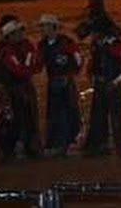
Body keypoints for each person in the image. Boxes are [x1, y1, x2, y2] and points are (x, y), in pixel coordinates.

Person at [83, 13, 121, 159]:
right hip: (103, 83)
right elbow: (93, 62)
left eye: (94, 32)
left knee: (116, 117)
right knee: (99, 116)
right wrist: (91, 75)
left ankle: (119, 147)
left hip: (111, 84)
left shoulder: (113, 45)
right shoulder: (99, 44)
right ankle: (103, 145)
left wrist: (116, 80)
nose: (92, 34)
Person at [0, 15, 41, 160]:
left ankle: (20, 147)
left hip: (15, 87)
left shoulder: (10, 47)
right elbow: (24, 69)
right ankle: (15, 147)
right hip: (13, 88)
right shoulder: (7, 50)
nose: (21, 34)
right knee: (15, 118)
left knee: (23, 117)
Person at [33, 14, 83, 157]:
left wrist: (70, 74)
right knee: (55, 113)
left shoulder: (66, 42)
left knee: (69, 112)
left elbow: (78, 59)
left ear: (53, 27)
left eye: (45, 26)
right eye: (42, 27)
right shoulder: (42, 45)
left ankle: (70, 142)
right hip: (53, 82)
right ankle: (57, 143)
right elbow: (38, 64)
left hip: (66, 83)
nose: (42, 29)